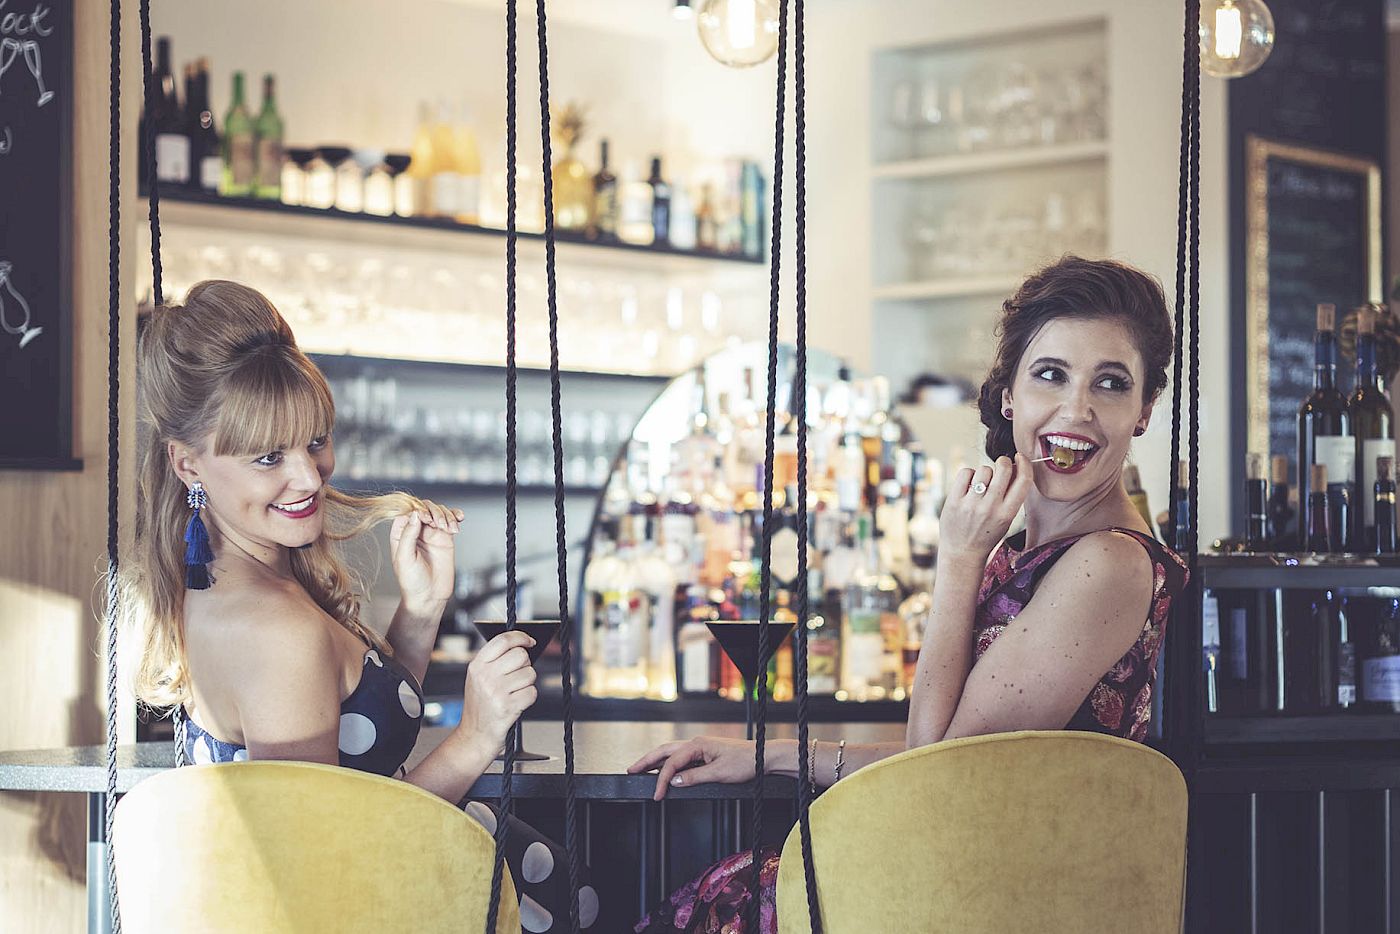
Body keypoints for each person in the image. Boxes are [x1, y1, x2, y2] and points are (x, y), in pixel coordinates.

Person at [628, 256, 1190, 934]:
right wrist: (765, 753)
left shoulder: (1107, 562)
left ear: (1144, 412)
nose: (1078, 409)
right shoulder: (1038, 551)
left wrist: (957, 559)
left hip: (992, 903)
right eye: (1051, 374)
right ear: (1009, 393)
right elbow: (953, 753)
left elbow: (936, 770)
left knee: (730, 894)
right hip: (960, 879)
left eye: (1111, 383)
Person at [122, 280, 598, 933]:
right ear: (188, 465)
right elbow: (331, 850)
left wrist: (420, 612)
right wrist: (477, 735)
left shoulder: (230, 590)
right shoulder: (272, 628)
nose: (310, 476)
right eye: (269, 457)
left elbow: (354, 754)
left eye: (316, 441)